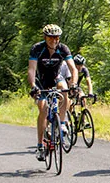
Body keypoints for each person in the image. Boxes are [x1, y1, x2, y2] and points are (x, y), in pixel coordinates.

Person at [28, 24, 78, 161]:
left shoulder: (63, 49)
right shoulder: (37, 49)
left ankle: (61, 123)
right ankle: (39, 145)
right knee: (43, 110)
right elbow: (31, 70)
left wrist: (73, 84)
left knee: (64, 89)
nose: (54, 40)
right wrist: (33, 86)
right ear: (45, 37)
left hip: (56, 78)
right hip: (41, 82)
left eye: (56, 37)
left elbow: (73, 69)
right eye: (51, 38)